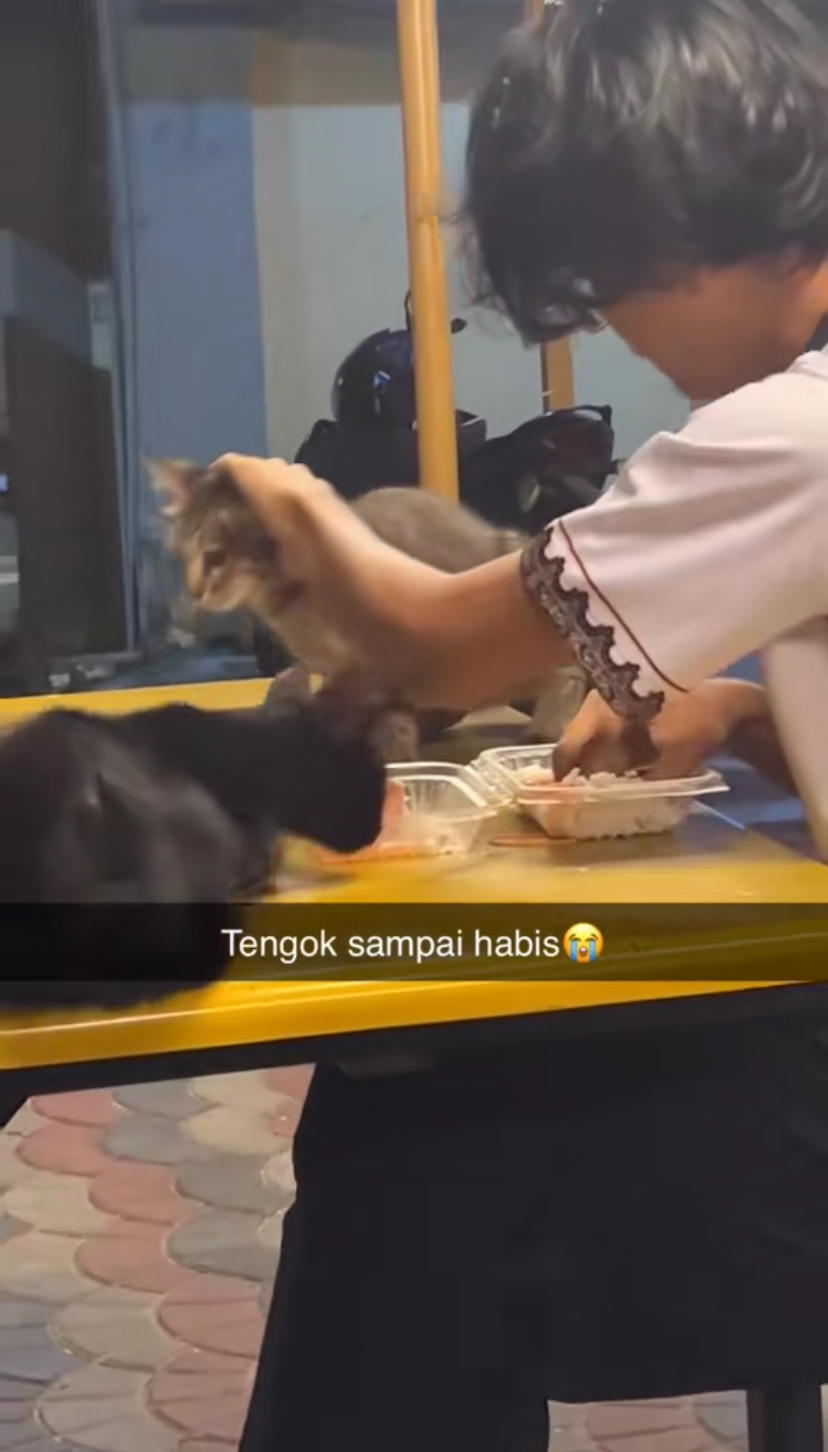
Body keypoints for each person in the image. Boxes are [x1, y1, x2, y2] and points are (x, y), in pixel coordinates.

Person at [233, 2, 828, 1448]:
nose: (607, 326)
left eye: (599, 282)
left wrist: (289, 509)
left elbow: (433, 641)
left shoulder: (797, 427)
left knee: (417, 1137)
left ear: (675, 224)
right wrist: (747, 717)